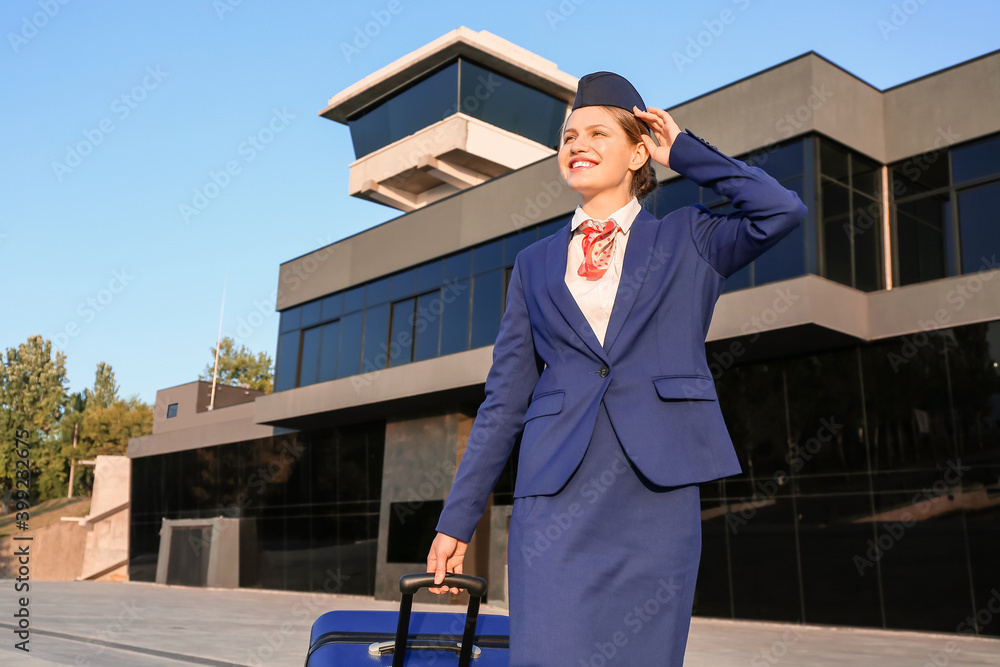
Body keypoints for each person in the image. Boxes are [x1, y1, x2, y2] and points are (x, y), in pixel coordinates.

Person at [426, 71, 806, 665]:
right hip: (554, 501)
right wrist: (457, 519)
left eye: (598, 132)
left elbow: (779, 210)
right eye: (568, 135)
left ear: (638, 151)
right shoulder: (534, 264)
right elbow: (503, 402)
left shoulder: (691, 238)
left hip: (655, 495)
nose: (577, 143)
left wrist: (685, 151)